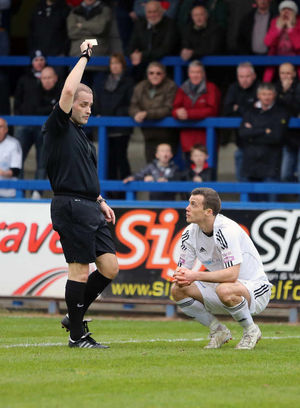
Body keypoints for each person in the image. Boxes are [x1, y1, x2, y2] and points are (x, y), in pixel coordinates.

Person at [42, 40, 119, 349]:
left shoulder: (82, 138)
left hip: (89, 205)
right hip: (70, 206)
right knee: (79, 270)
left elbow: (85, 177)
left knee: (110, 268)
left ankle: (74, 317)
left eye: (91, 106)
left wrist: (100, 201)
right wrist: (85, 57)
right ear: (71, 103)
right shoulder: (57, 126)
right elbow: (67, 91)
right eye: (83, 104)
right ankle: (77, 335)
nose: (88, 110)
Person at [172, 187, 272, 350]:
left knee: (225, 289)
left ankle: (251, 331)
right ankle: (218, 331)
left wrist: (194, 275)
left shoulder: (226, 230)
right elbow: (183, 271)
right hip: (223, 287)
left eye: (193, 204)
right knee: (177, 289)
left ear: (208, 211)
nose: (187, 208)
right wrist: (181, 275)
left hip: (254, 288)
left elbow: (232, 274)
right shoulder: (189, 233)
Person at [239, 82, 289, 200]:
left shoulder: (281, 112)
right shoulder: (250, 111)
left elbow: (277, 136)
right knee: (250, 202)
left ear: (274, 95)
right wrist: (265, 130)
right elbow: (243, 133)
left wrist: (253, 131)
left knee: (272, 203)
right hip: (250, 162)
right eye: (263, 94)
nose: (266, 97)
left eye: (269, 94)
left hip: (271, 162)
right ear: (258, 95)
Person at [94, 53, 134, 183]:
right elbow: (97, 100)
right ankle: (109, 194)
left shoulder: (129, 82)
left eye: (118, 63)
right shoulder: (102, 81)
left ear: (123, 66)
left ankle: (123, 193)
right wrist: (99, 113)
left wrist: (115, 113)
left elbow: (130, 104)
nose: (115, 66)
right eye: (112, 63)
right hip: (105, 128)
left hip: (121, 128)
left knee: (121, 159)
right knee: (107, 160)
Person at [172, 60, 221, 165]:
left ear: (203, 74)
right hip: (187, 140)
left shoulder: (211, 88)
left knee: (207, 173)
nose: (195, 75)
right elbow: (175, 108)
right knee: (189, 173)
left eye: (198, 72)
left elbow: (212, 111)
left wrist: (188, 114)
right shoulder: (182, 89)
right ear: (188, 73)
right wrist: (177, 113)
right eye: (192, 72)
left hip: (206, 139)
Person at [129, 61, 178, 162]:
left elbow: (168, 108)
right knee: (150, 166)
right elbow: (133, 106)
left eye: (158, 73)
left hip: (167, 135)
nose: (154, 76)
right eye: (151, 73)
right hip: (148, 134)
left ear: (164, 74)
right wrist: (136, 113)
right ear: (147, 74)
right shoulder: (140, 86)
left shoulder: (171, 86)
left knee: (167, 168)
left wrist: (147, 114)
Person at [223, 62, 260, 181]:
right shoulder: (233, 88)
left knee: (258, 178)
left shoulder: (260, 88)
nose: (244, 80)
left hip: (259, 141)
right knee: (241, 177)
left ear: (254, 76)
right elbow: (227, 110)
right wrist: (248, 108)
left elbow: (258, 112)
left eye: (247, 76)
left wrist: (238, 108)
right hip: (241, 141)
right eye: (241, 76)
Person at [127, 1, 179, 79]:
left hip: (166, 71)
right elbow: (130, 47)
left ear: (161, 11)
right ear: (145, 13)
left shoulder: (170, 25)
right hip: (142, 71)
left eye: (155, 11)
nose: (152, 15)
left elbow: (165, 49)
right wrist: (132, 55)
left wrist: (142, 55)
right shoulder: (139, 25)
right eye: (149, 12)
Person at [275, 62, 300, 182]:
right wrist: (284, 92)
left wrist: (285, 94)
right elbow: (275, 110)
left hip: (298, 134)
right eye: (282, 73)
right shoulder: (275, 89)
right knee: (284, 175)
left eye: (288, 72)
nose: (285, 76)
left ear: (294, 74)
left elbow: (296, 107)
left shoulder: (298, 88)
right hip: (286, 137)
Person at [264, 0, 300, 81]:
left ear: (295, 13)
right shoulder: (275, 22)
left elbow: (298, 45)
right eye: (283, 10)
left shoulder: (299, 23)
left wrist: (291, 29)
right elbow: (267, 42)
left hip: (296, 61)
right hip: (276, 61)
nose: (286, 12)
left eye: (289, 10)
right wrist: (278, 29)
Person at [0, 117, 22, 198]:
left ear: (6, 129)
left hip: (7, 194)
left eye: (0, 127)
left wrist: (3, 173)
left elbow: (15, 170)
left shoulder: (13, 144)